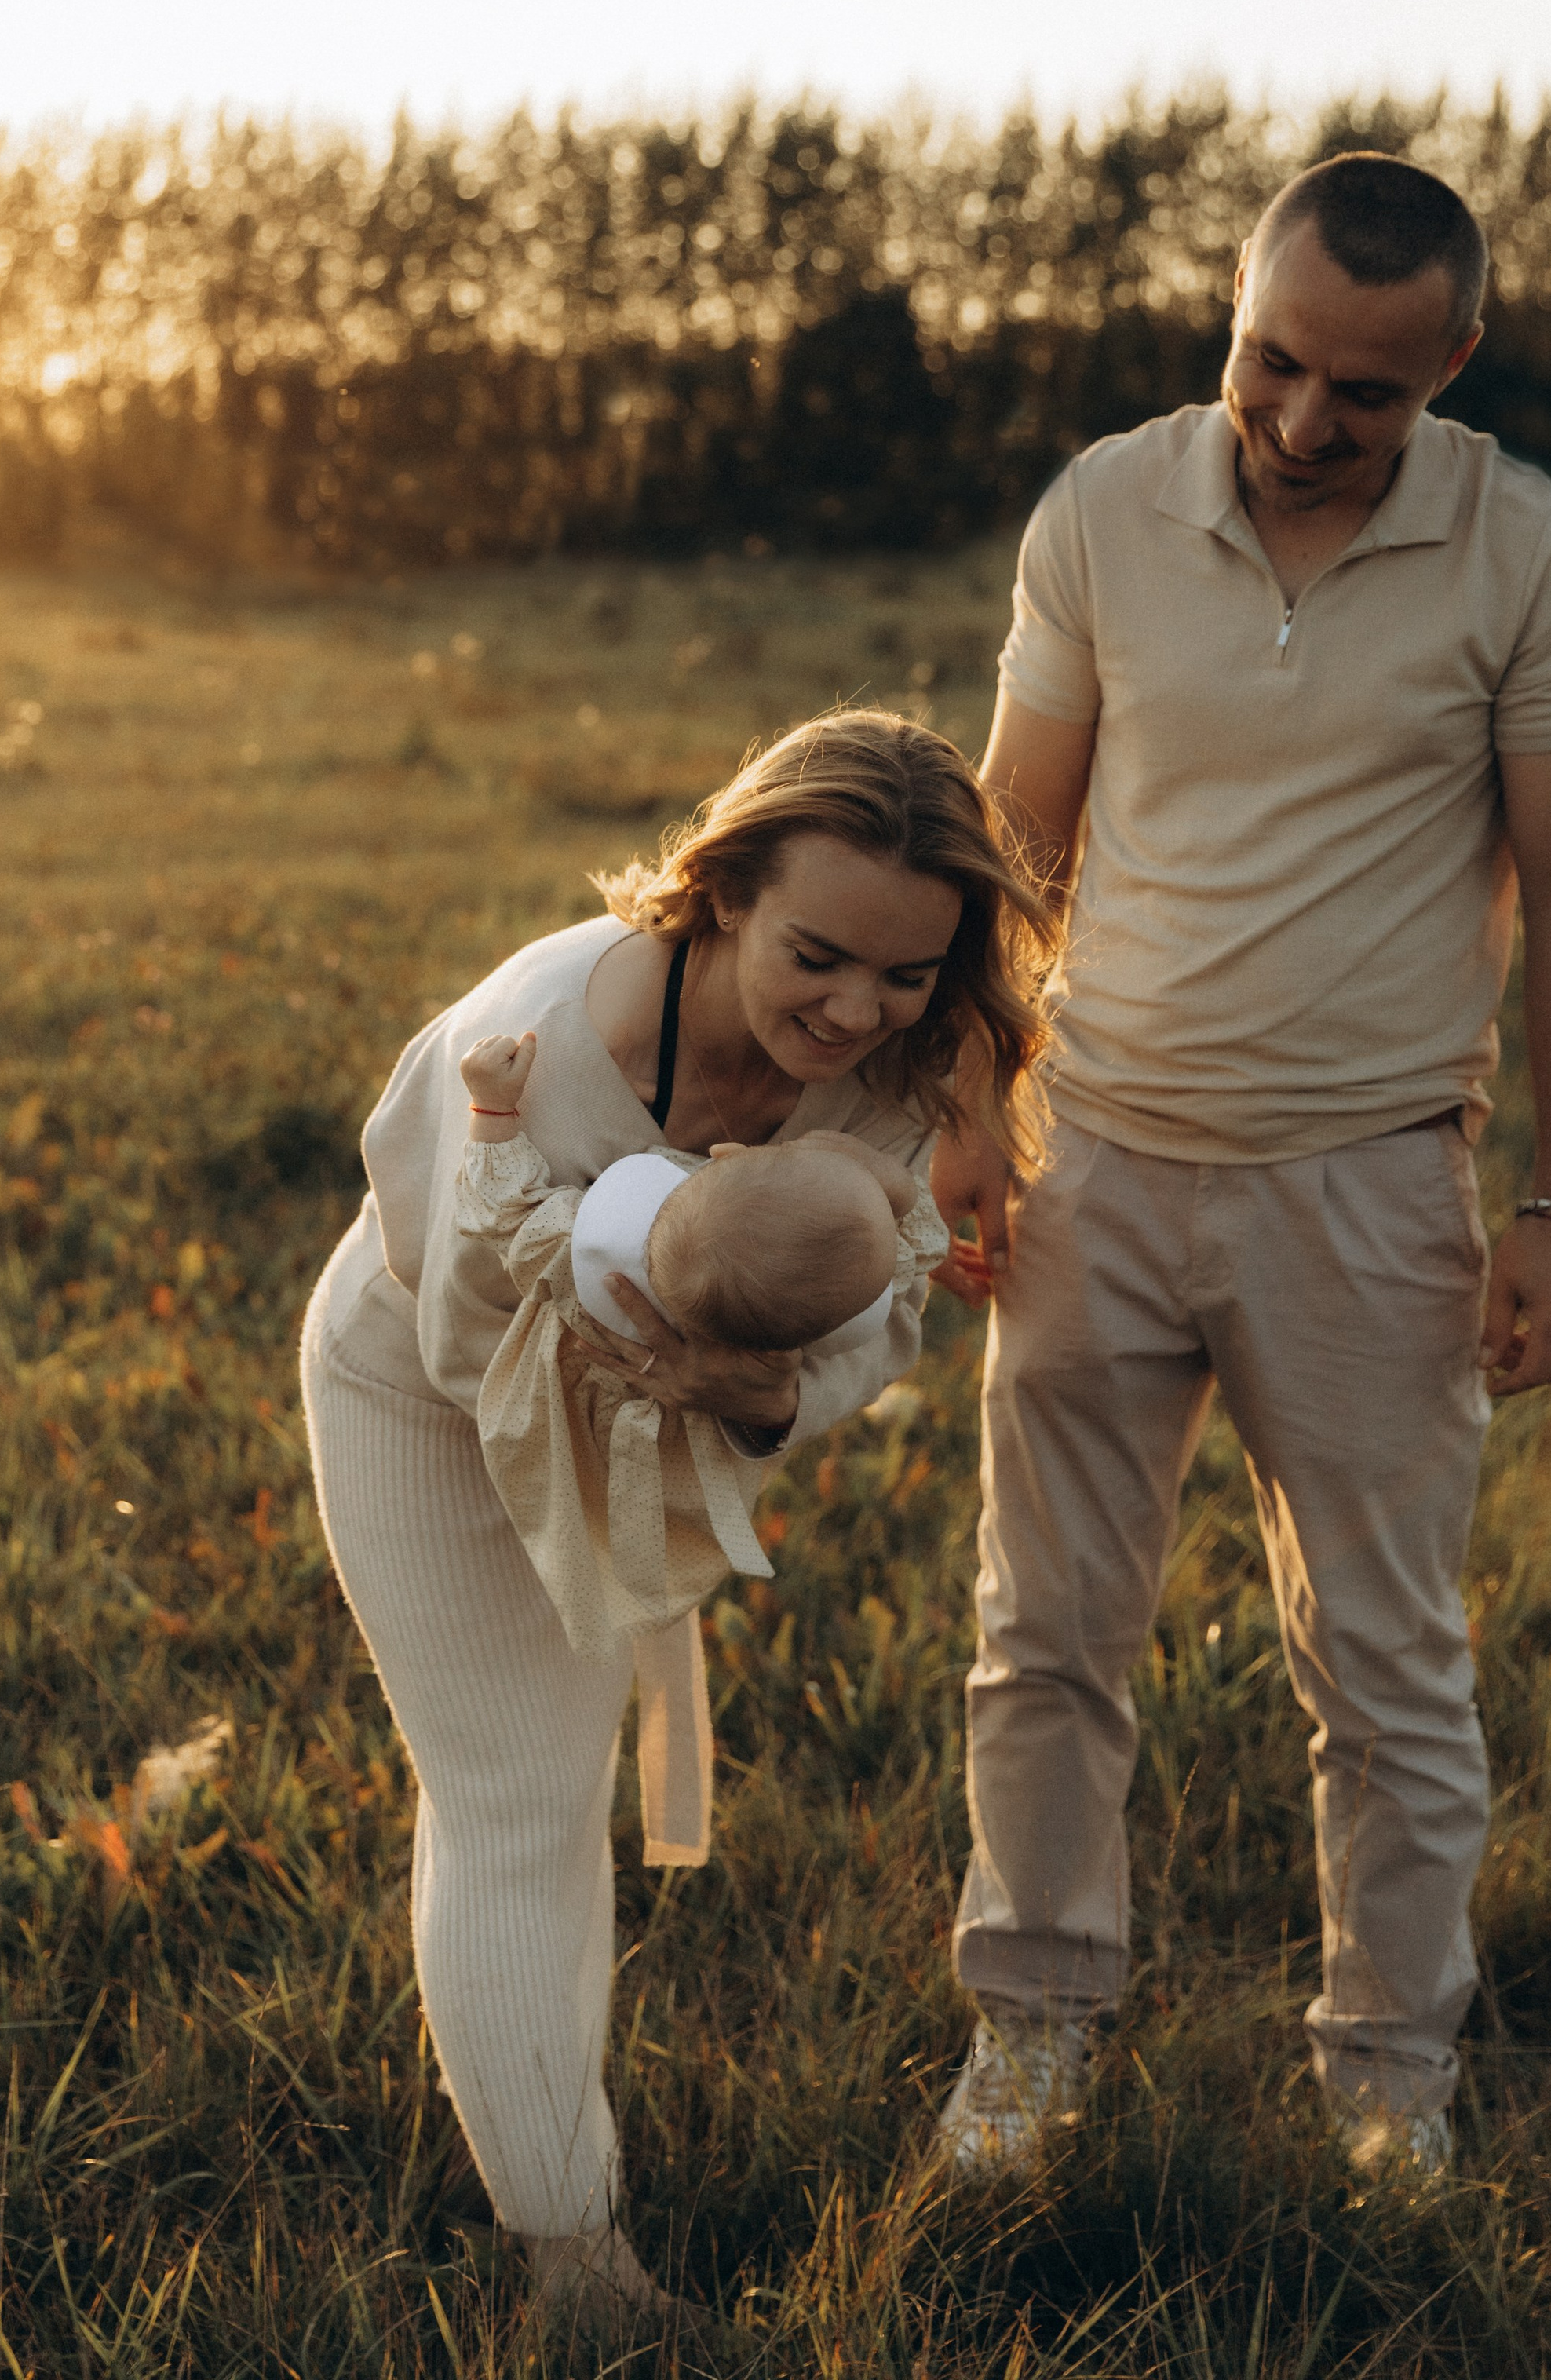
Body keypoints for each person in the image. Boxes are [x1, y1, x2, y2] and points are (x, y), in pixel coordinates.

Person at [929, 151, 1551, 2180]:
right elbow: (1012, 841)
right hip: (1098, 1168)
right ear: (1233, 310)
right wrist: (970, 1103)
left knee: (1388, 1667)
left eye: (1369, 395)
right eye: (1272, 363)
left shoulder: (1538, 556)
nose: (1306, 423)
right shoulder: (1106, 513)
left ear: (1457, 366)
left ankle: (1391, 2079)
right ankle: (1033, 2040)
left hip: (1372, 1186)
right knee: (1045, 1634)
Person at [298, 710, 1054, 2334]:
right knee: (516, 1792)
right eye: (818, 955)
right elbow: (450, 1308)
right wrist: (665, 1342)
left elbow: (880, 1310)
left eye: (908, 974)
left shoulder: (889, 1078)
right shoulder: (538, 1039)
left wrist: (765, 1399)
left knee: (547, 1790)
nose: (855, 1011)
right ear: (717, 890)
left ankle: (543, 2160)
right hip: (425, 1390)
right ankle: (575, 2269)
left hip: (652, 1409)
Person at [454, 1026, 946, 1692]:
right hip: (679, 1465)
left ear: (725, 1154)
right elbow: (919, 1240)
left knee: (547, 1524)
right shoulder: (793, 1339)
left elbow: (500, 1200)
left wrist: (492, 1106)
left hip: (548, 1422)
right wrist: (888, 1182)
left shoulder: (594, 1258)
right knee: (638, 1544)